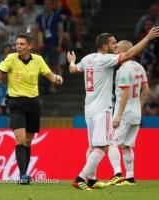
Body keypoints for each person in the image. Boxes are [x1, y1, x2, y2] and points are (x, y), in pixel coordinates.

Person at [67, 26, 159, 190]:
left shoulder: (88, 58)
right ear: (104, 47)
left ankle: (92, 180)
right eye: (113, 43)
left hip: (89, 108)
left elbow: (73, 69)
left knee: (93, 146)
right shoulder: (105, 59)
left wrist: (72, 61)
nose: (115, 46)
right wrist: (146, 38)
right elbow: (130, 54)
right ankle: (80, 178)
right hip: (103, 109)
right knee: (104, 145)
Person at [0, 33, 63, 184]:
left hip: (33, 103)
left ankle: (25, 174)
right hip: (16, 102)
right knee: (20, 139)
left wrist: (57, 78)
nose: (18, 46)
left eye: (21, 44)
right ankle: (23, 175)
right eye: (17, 44)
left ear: (30, 46)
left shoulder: (38, 60)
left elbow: (50, 75)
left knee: (27, 141)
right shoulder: (11, 58)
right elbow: (0, 76)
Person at [107, 40, 150, 186]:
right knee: (127, 147)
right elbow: (147, 90)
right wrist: (139, 106)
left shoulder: (124, 69)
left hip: (124, 112)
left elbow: (125, 92)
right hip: (136, 112)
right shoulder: (139, 67)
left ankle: (117, 174)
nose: (115, 48)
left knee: (112, 143)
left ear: (123, 51)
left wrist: (118, 114)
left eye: (117, 46)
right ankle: (130, 177)